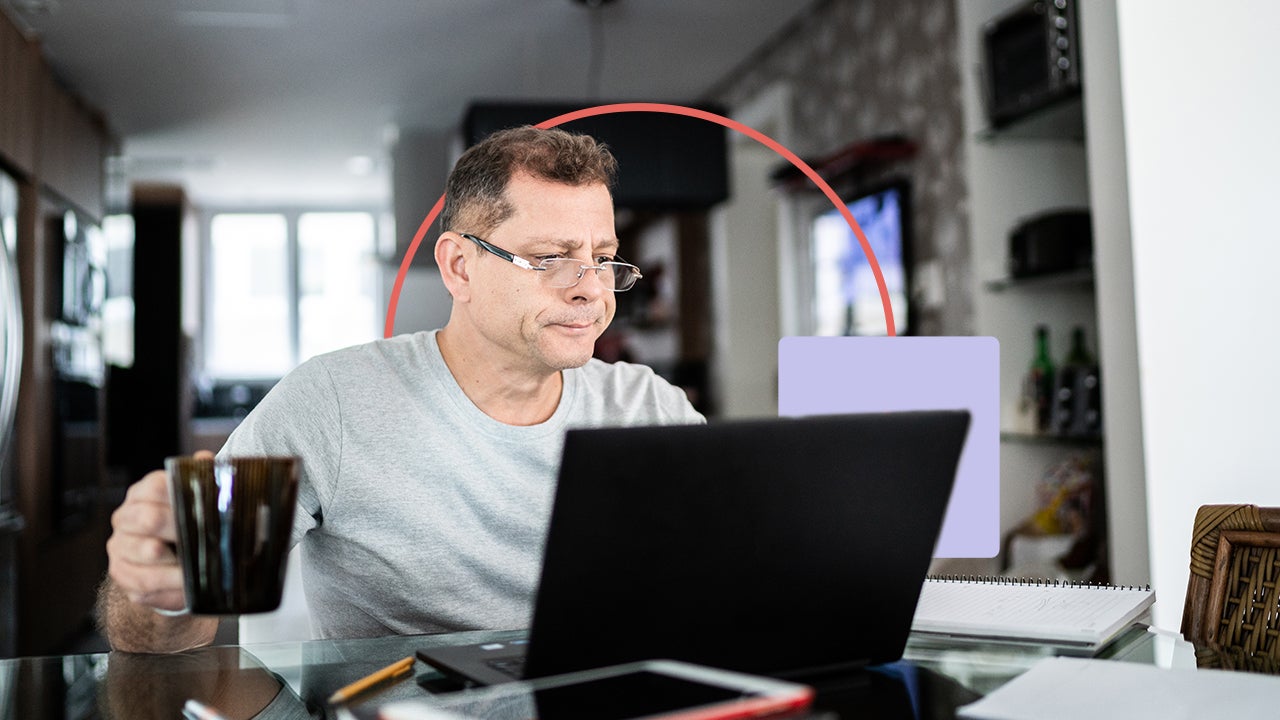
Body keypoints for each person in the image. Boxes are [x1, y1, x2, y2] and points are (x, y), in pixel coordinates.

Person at [99, 126, 705, 653]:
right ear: (459, 267)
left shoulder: (649, 407)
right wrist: (160, 589)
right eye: (551, 257)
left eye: (604, 259)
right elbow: (166, 630)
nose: (591, 290)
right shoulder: (330, 403)